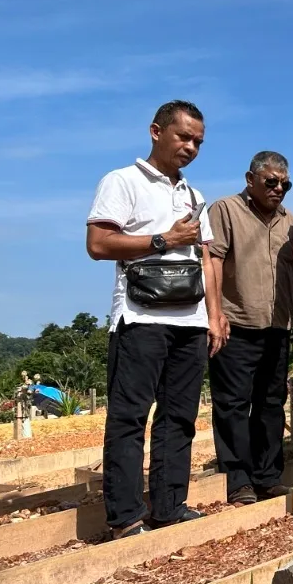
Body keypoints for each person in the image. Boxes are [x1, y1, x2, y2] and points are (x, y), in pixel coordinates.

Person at [86, 100, 225, 540]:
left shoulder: (194, 196)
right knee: (129, 418)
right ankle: (126, 517)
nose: (191, 147)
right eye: (183, 137)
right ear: (156, 131)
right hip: (140, 317)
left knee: (179, 417)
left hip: (190, 320)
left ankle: (169, 506)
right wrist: (164, 239)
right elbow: (98, 243)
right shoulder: (121, 181)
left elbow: (206, 258)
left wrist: (214, 315)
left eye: (198, 142)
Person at [207, 151, 293, 504]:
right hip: (236, 324)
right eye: (270, 181)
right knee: (232, 405)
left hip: (277, 326)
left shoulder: (291, 221)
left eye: (285, 184)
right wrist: (214, 314)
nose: (278, 189)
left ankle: (268, 476)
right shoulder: (225, 210)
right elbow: (212, 261)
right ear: (250, 179)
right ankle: (238, 480)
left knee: (271, 403)